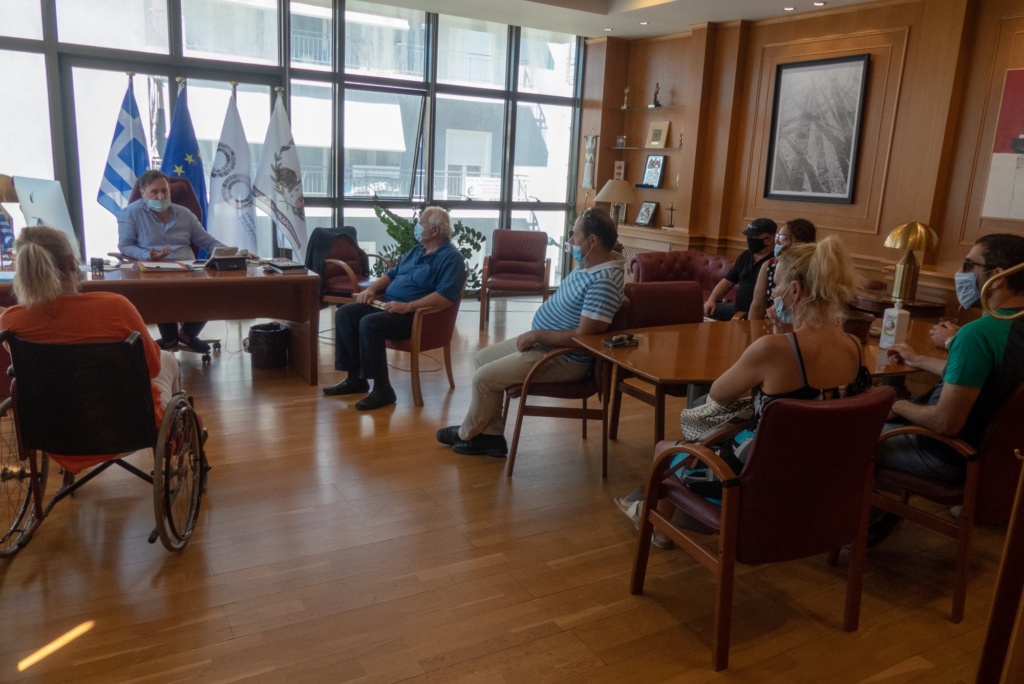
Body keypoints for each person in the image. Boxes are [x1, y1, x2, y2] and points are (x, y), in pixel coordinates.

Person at [618, 237, 864, 546]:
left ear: (795, 291)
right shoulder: (854, 346)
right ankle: (652, 512)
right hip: (816, 474)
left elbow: (719, 393)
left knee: (666, 450)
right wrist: (784, 335)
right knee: (711, 440)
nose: (773, 292)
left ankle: (656, 526)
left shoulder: (773, 349)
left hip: (754, 478)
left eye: (777, 284)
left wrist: (777, 340)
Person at [436, 207, 625, 457]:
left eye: (575, 234)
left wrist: (537, 335)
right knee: (482, 358)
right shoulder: (590, 262)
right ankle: (490, 436)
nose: (570, 239)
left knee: (484, 379)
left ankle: (467, 433)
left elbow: (584, 338)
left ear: (593, 241)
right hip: (546, 345)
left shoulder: (604, 280)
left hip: (565, 357)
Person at [0, 225, 182, 476]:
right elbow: (152, 368)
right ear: (72, 263)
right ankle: (176, 435)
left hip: (52, 433)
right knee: (167, 359)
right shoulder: (116, 307)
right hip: (126, 429)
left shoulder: (11, 322)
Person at [872, 235, 1024, 530]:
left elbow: (945, 422)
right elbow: (984, 379)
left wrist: (897, 404)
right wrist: (918, 360)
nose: (961, 273)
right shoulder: (1011, 329)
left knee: (846, 434)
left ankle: (858, 525)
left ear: (998, 277)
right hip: (991, 459)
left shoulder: (977, 334)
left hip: (944, 454)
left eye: (968, 265)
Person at [323, 206, 465, 411]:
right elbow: (392, 274)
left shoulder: (451, 258)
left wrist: (408, 306)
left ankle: (383, 390)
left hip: (416, 317)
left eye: (421, 224)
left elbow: (445, 298)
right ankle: (356, 380)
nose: (417, 228)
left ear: (434, 231)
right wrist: (371, 290)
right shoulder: (417, 251)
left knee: (370, 323)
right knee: (346, 314)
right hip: (390, 306)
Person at [117, 169, 225, 354]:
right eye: (154, 192)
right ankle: (169, 339)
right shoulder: (130, 213)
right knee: (162, 291)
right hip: (153, 270)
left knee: (215, 289)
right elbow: (125, 246)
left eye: (164, 191)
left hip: (188, 270)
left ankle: (187, 334)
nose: (161, 197)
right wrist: (146, 255)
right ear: (143, 193)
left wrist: (233, 253)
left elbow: (208, 242)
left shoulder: (184, 213)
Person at [703, 218, 777, 321]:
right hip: (737, 309)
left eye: (754, 237)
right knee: (702, 310)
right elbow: (727, 282)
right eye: (749, 236)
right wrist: (712, 300)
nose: (750, 240)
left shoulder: (776, 261)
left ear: (769, 239)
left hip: (760, 315)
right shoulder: (745, 256)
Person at [748, 218, 816, 321]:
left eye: (783, 238)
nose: (776, 241)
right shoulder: (769, 265)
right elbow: (757, 306)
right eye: (777, 237)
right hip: (770, 324)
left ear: (800, 243)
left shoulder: (814, 270)